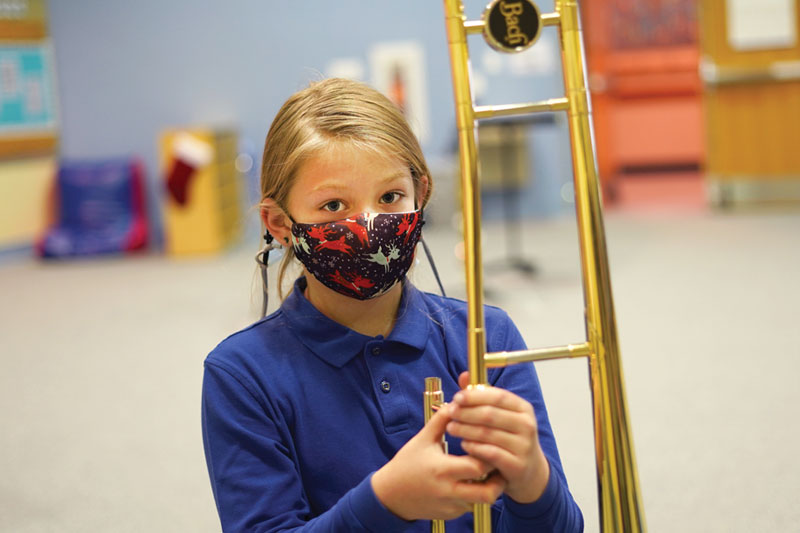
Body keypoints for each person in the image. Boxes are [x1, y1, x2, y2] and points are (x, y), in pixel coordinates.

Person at [201, 78, 583, 532]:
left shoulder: (488, 336)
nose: (368, 225)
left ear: (420, 196)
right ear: (280, 223)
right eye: (334, 204)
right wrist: (385, 501)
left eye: (389, 198)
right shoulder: (242, 376)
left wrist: (532, 478)